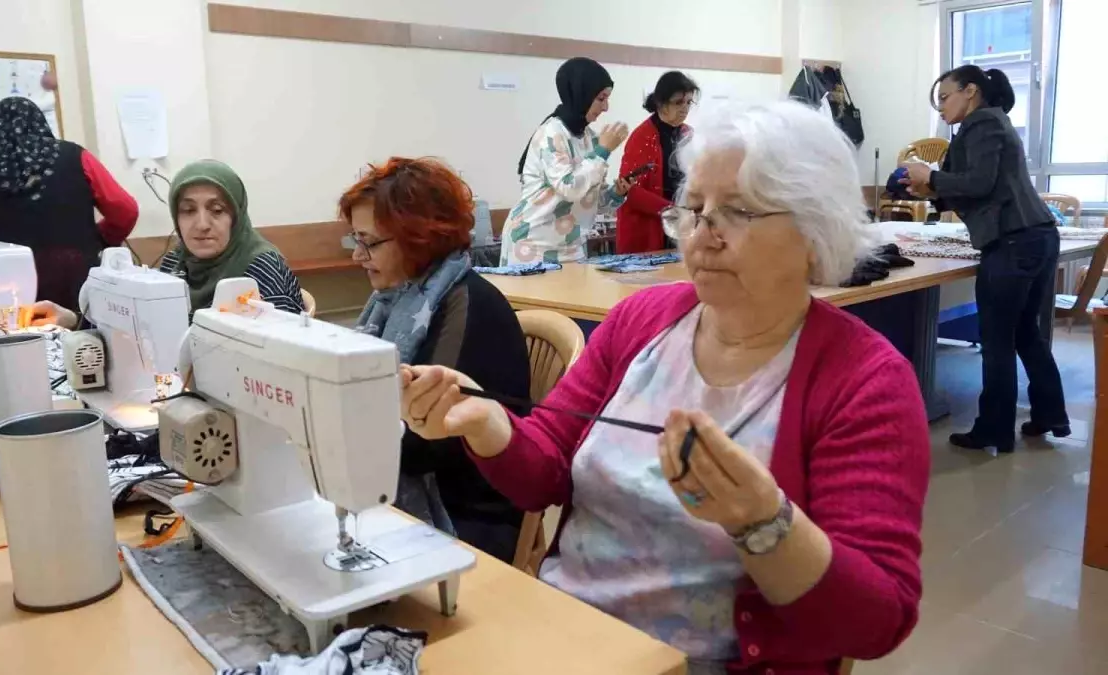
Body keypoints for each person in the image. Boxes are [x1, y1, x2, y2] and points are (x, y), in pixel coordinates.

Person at [400, 101, 929, 674]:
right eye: (694, 211)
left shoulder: (865, 380)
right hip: (562, 633)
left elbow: (877, 620)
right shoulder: (641, 321)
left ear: (813, 229)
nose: (704, 236)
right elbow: (545, 469)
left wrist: (764, 522)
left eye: (738, 212)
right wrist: (486, 424)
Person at [340, 157, 530, 563]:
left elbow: (424, 444)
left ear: (418, 238)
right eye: (354, 240)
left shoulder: (469, 305)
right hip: (411, 494)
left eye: (369, 242)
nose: (358, 256)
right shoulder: (394, 301)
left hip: (466, 519)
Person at [901, 65, 1069, 454]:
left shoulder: (982, 124)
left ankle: (993, 429)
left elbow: (979, 183)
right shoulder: (986, 125)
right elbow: (975, 188)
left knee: (998, 341)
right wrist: (928, 188)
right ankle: (1049, 414)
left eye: (945, 98)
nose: (940, 108)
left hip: (1013, 242)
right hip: (1035, 236)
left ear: (971, 91)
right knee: (1027, 333)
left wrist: (932, 175)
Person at [30, 159, 303, 328]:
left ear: (236, 215)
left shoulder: (261, 267)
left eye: (217, 210)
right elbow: (143, 323)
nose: (202, 223)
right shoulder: (175, 261)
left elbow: (282, 353)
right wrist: (75, 319)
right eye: (188, 210)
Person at [0, 97, 138, 313]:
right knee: (83, 341)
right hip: (75, 277)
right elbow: (126, 210)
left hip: (8, 290)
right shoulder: (75, 157)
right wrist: (101, 238)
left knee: (18, 344)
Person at [502, 57, 636, 266]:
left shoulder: (589, 138)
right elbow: (569, 187)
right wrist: (602, 152)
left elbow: (587, 200)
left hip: (570, 246)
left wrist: (616, 194)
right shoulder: (552, 133)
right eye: (601, 98)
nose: (606, 107)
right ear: (581, 94)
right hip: (533, 245)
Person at [616, 71, 700, 254]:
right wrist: (671, 210)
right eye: (678, 102)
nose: (684, 109)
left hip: (681, 223)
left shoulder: (689, 134)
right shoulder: (641, 137)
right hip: (648, 228)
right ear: (661, 104)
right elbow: (629, 191)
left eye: (688, 102)